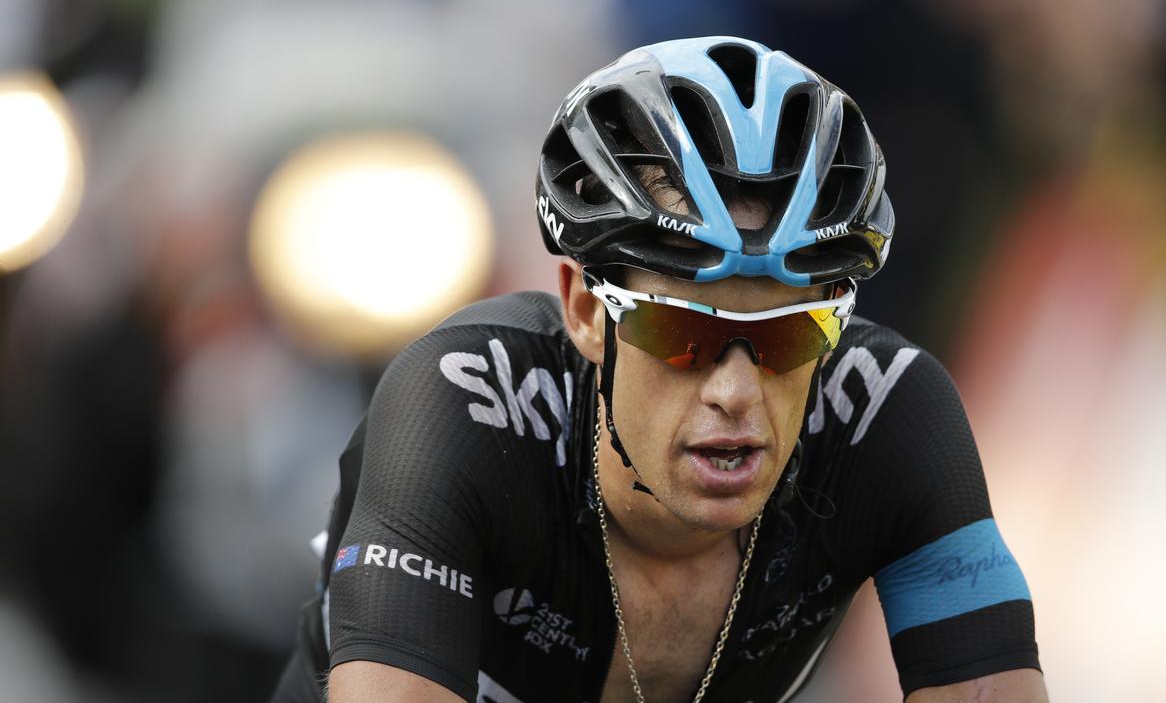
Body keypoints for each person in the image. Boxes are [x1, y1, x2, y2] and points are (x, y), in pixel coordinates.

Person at [270, 36, 1047, 703]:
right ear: (583, 310)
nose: (736, 393)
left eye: (790, 337)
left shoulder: (887, 414)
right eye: (683, 333)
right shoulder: (465, 404)